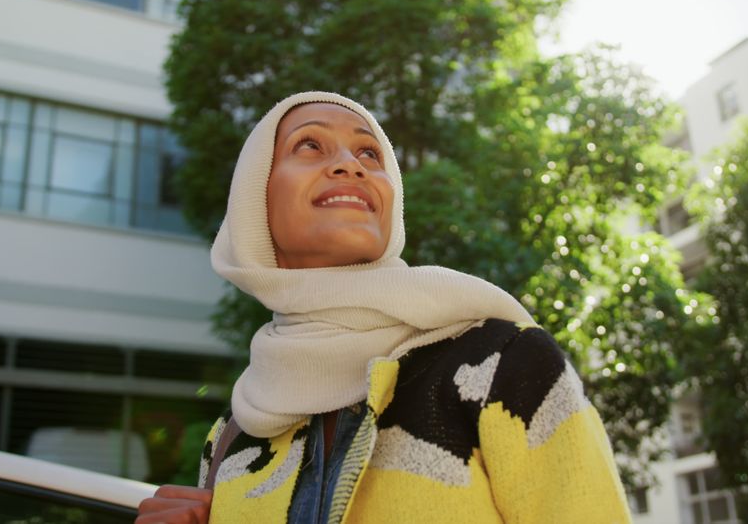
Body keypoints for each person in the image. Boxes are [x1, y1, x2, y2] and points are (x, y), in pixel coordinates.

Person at [136, 92, 631, 523]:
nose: (351, 164)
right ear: (254, 201)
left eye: (370, 153)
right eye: (310, 145)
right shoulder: (235, 435)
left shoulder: (504, 364)